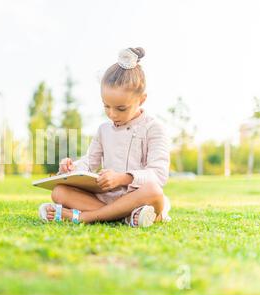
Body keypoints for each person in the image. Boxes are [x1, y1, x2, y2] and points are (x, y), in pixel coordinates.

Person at [38, 47, 171, 227]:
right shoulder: (103, 130)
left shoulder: (154, 128)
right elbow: (90, 162)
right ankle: (124, 218)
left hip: (140, 198)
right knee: (59, 192)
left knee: (154, 191)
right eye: (106, 106)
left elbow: (158, 175)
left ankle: (84, 217)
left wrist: (122, 178)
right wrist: (71, 168)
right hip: (105, 199)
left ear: (142, 99)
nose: (112, 114)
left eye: (121, 108)